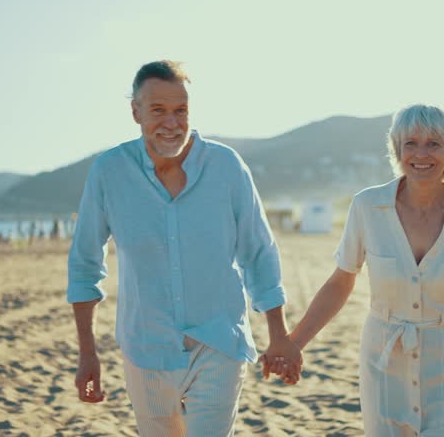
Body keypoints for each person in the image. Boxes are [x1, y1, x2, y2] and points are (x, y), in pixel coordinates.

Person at [264, 104, 444, 436]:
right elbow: (341, 282)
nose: (421, 153)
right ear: (397, 150)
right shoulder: (367, 207)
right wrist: (294, 343)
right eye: (410, 143)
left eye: (433, 143)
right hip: (384, 363)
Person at [67, 60, 302, 436]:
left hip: (219, 343)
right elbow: (84, 265)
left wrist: (278, 333)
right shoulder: (109, 172)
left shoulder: (226, 166)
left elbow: (258, 252)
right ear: (135, 112)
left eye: (181, 111)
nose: (172, 123)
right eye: (158, 110)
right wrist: (87, 354)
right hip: (146, 347)